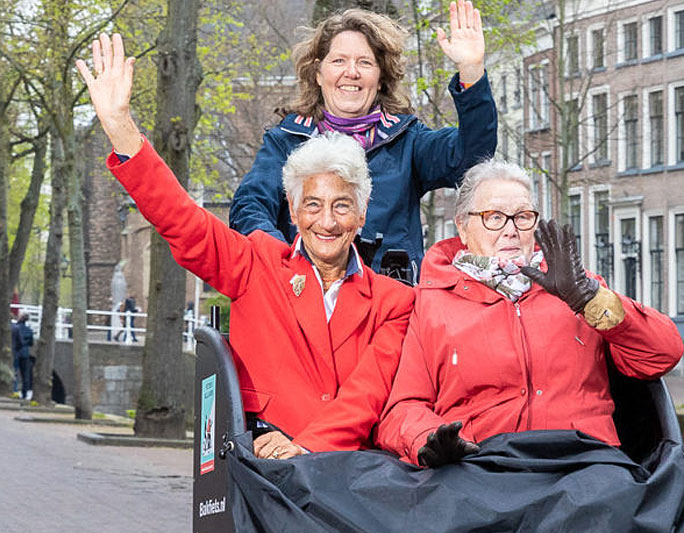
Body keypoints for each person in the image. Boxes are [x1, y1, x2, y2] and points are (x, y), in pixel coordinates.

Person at [77, 33, 414, 458]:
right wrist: (121, 129)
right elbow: (182, 219)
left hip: (347, 474)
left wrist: (305, 447)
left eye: (342, 206)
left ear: (362, 215)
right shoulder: (257, 264)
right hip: (264, 468)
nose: (327, 221)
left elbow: (367, 394)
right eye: (312, 204)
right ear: (292, 211)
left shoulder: (395, 301)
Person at [375, 159, 684, 467]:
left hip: (583, 464)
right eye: (494, 217)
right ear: (463, 227)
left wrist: (588, 298)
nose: (511, 230)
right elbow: (403, 408)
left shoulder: (577, 288)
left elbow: (663, 354)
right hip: (481, 465)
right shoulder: (431, 303)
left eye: (522, 217)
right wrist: (429, 439)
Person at [229, 1, 497, 277]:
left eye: (365, 62)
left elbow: (472, 157)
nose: (352, 72)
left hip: (389, 304)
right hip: (306, 299)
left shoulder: (406, 141)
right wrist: (284, 261)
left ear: (381, 77)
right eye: (339, 61)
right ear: (319, 73)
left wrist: (471, 70)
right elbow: (249, 207)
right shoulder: (286, 141)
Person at [12, 313, 34, 401]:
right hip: (25, 354)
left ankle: (14, 391)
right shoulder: (29, 330)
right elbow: (31, 343)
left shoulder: (15, 328)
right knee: (25, 374)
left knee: (14, 372)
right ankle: (24, 394)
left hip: (16, 353)